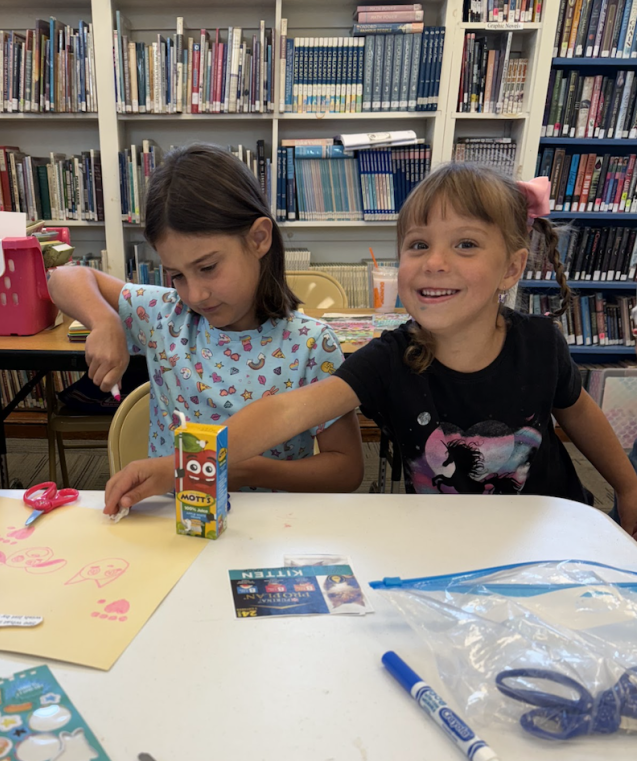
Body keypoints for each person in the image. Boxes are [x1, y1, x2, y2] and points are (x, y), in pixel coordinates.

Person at [105, 162, 637, 536]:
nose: (435, 262)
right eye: (418, 244)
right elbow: (288, 410)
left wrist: (629, 488)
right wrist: (190, 462)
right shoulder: (391, 358)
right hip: (442, 541)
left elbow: (581, 416)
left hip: (551, 530)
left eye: (466, 244)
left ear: (512, 268)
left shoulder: (541, 344)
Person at [47, 144, 364, 493]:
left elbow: (346, 470)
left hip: (270, 532)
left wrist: (236, 469)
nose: (195, 295)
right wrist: (104, 321)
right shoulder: (165, 317)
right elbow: (62, 278)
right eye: (177, 276)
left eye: (208, 267)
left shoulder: (311, 345)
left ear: (259, 238)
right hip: (177, 523)